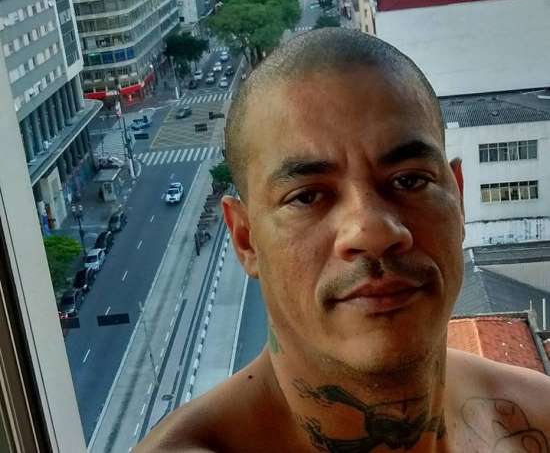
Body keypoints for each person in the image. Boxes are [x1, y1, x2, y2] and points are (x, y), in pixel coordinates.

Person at [136, 29, 550, 452]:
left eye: (410, 180)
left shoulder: (539, 416)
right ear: (245, 239)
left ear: (458, 200)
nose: (372, 232)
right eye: (307, 197)